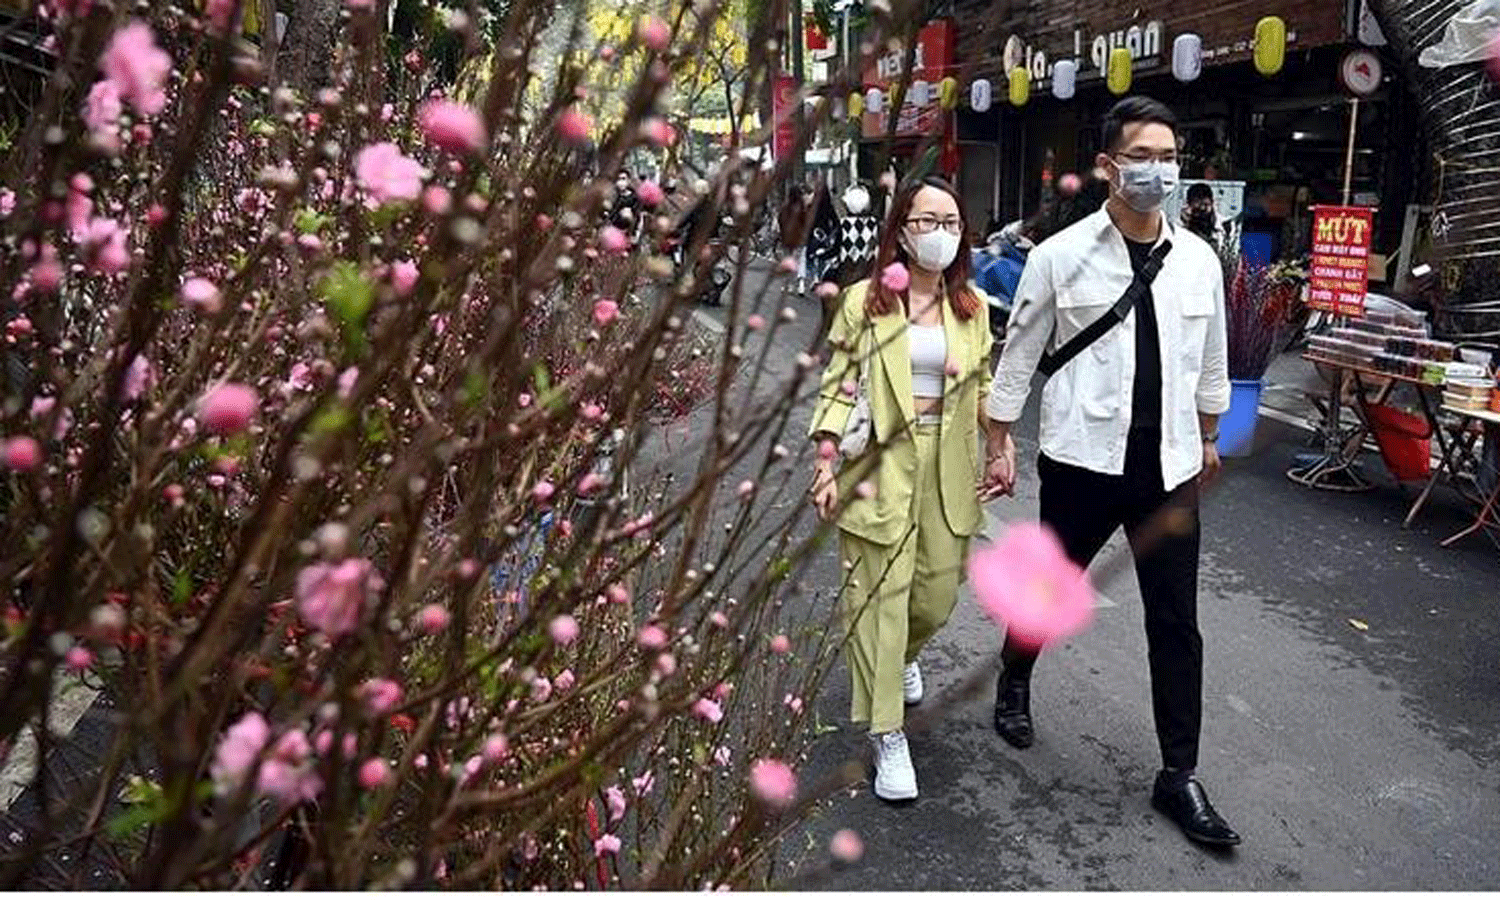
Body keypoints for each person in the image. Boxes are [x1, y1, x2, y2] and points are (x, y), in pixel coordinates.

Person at [981, 97, 1239, 847]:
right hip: (1083, 459)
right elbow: (1019, 356)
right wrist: (999, 441)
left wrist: (1211, 434)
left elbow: (1212, 356)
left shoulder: (1197, 259)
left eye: (1169, 156)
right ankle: (1016, 675)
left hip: (1168, 466)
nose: (1158, 169)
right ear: (1107, 167)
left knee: (1176, 621)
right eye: (1143, 156)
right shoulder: (1059, 256)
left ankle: (1178, 775)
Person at [808, 176, 994, 802]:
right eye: (925, 222)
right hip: (879, 463)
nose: (938, 234)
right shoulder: (866, 301)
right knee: (882, 601)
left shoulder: (973, 307)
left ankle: (896, 656)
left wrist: (1003, 443)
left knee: (935, 596)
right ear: (901, 231)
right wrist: (825, 462)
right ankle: (888, 733)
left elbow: (985, 382)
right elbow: (838, 384)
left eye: (951, 223)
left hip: (948, 464)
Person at [835, 181, 880, 287]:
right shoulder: (873, 223)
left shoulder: (843, 223)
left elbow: (836, 246)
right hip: (868, 269)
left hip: (847, 269)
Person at [778, 183, 816, 294]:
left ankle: (788, 285)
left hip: (786, 239)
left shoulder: (785, 207)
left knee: (788, 261)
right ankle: (799, 285)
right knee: (799, 262)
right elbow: (806, 222)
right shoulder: (802, 208)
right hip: (800, 239)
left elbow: (780, 220)